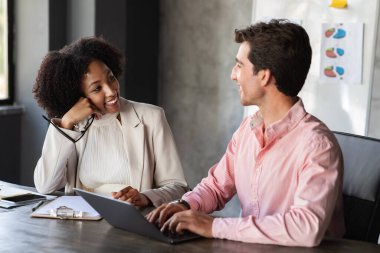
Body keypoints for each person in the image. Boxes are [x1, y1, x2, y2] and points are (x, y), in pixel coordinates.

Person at [146, 19, 345, 246]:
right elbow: (217, 186)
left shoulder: (318, 146)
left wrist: (213, 226)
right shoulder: (247, 130)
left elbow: (306, 227)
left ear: (264, 76)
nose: (233, 75)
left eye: (239, 65)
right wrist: (185, 205)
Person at [33, 36, 188, 208]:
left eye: (111, 78)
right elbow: (45, 185)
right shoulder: (74, 127)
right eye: (97, 88)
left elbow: (179, 187)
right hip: (81, 227)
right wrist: (67, 123)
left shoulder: (151, 117)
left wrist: (144, 197)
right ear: (79, 96)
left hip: (132, 226)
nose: (112, 91)